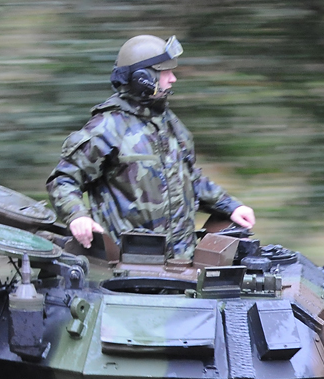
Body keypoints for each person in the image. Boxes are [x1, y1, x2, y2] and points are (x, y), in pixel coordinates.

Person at [47, 34, 256, 261]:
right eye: (166, 72)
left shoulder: (171, 125)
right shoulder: (107, 128)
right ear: (143, 77)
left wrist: (231, 207)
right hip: (127, 269)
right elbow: (63, 180)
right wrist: (77, 216)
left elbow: (191, 179)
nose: (173, 78)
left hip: (181, 267)